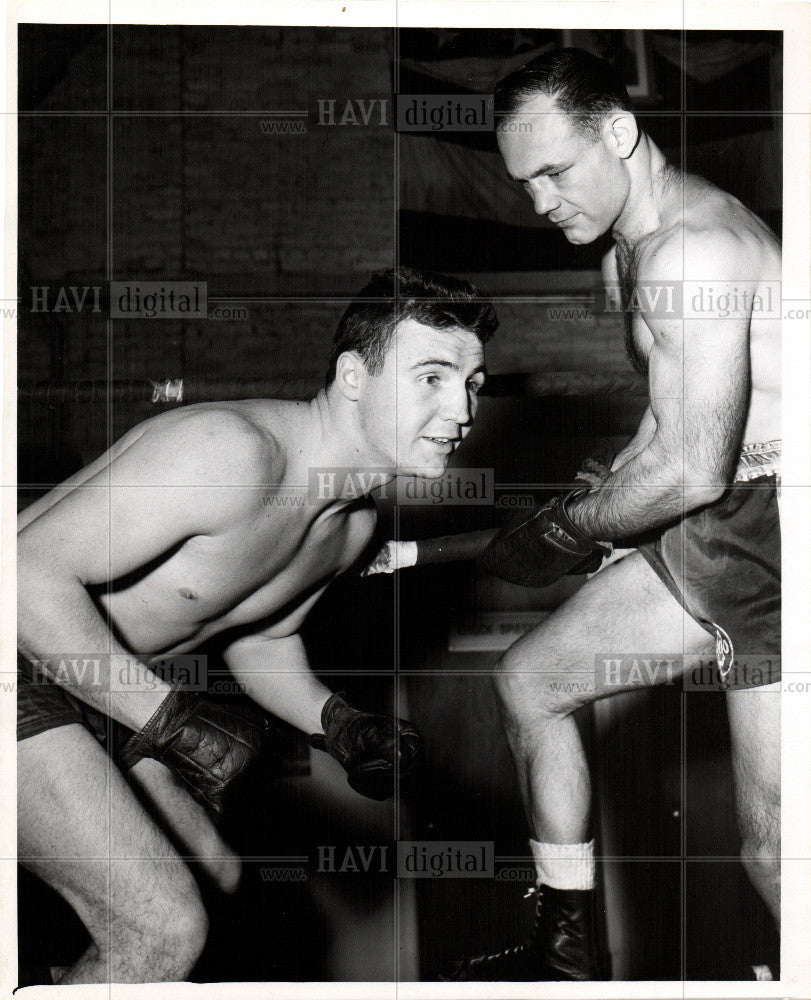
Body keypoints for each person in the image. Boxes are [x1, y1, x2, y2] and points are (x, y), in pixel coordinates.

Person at [17, 266, 497, 984]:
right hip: (18, 658)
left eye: (473, 385)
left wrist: (335, 722)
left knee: (220, 877)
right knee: (161, 927)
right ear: (352, 377)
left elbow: (260, 636)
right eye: (430, 377)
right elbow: (23, 577)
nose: (460, 411)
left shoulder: (351, 522)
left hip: (87, 691)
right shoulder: (232, 451)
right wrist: (168, 719)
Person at [446, 48, 781, 981]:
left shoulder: (696, 248)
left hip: (782, 538)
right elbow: (669, 422)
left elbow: (693, 466)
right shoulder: (628, 253)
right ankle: (568, 947)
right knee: (529, 684)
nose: (540, 200)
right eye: (524, 182)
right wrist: (601, 501)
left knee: (774, 855)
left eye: (556, 170)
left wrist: (573, 527)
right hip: (724, 529)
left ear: (621, 133)